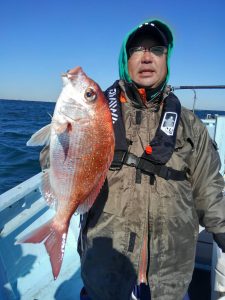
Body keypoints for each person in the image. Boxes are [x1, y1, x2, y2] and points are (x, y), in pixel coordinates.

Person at [77, 19, 225, 300]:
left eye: (156, 49)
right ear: (125, 59)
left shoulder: (191, 125)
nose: (147, 57)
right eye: (137, 50)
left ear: (166, 59)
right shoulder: (95, 116)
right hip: (106, 271)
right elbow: (59, 163)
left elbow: (208, 189)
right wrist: (64, 140)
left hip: (169, 277)